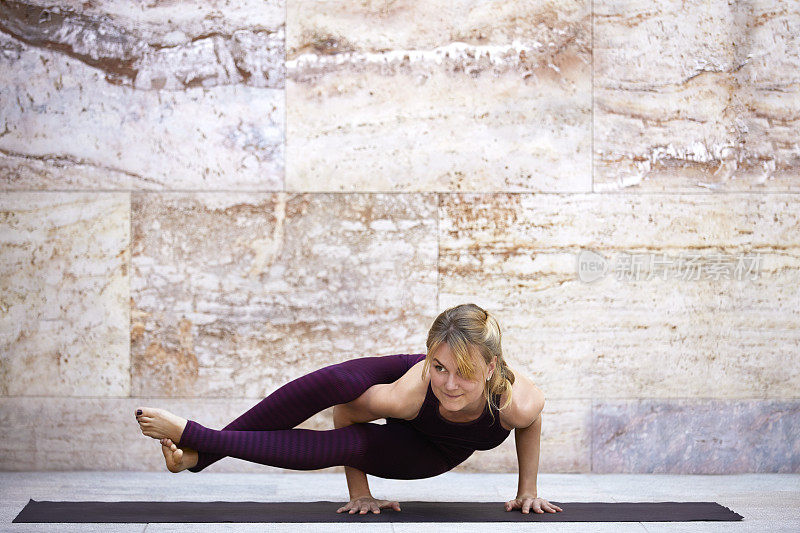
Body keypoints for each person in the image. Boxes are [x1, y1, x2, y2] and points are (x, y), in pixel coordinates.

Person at [135, 303, 562, 515]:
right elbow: (347, 412)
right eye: (440, 367)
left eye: (465, 374)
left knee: (351, 444)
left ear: (490, 368)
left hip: (434, 451)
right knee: (339, 389)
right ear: (428, 357)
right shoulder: (407, 393)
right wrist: (360, 493)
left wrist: (527, 491)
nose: (450, 384)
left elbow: (531, 423)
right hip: (404, 390)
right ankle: (198, 448)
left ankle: (197, 447)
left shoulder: (518, 403)